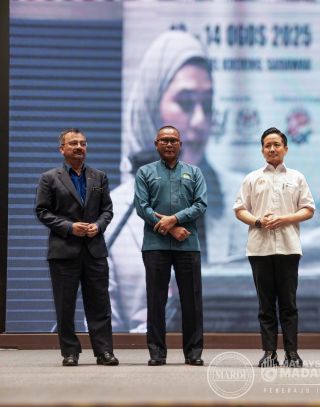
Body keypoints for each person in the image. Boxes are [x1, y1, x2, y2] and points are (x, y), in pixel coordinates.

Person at [105, 29, 245, 332]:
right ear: (151, 106)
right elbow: (104, 336)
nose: (200, 121)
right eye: (185, 102)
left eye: (207, 104)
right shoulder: (115, 215)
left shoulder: (242, 199)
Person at [35, 128, 119, 367]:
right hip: (63, 250)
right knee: (65, 306)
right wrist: (70, 227)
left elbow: (107, 210)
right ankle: (70, 352)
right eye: (73, 143)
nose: (79, 147)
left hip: (94, 250)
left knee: (100, 304)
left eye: (83, 143)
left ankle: (104, 352)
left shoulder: (99, 176)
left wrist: (98, 226)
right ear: (62, 149)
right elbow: (42, 211)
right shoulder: (49, 178)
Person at [234, 127, 315, 368]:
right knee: (266, 305)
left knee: (289, 304)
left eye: (276, 145)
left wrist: (284, 219)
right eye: (267, 145)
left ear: (286, 149)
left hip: (289, 247)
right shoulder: (251, 178)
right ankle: (269, 353)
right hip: (259, 248)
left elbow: (309, 209)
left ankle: (292, 353)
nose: (272, 149)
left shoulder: (297, 177)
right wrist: (258, 221)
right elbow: (240, 209)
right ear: (262, 150)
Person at [135, 125, 207, 366]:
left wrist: (174, 219)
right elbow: (142, 207)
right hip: (155, 245)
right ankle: (157, 353)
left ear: (180, 144)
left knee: (192, 301)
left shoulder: (194, 172)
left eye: (173, 140)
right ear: (156, 144)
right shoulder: (145, 172)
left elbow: (200, 204)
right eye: (164, 140)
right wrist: (171, 228)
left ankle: (193, 352)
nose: (169, 144)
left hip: (188, 244)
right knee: (156, 301)